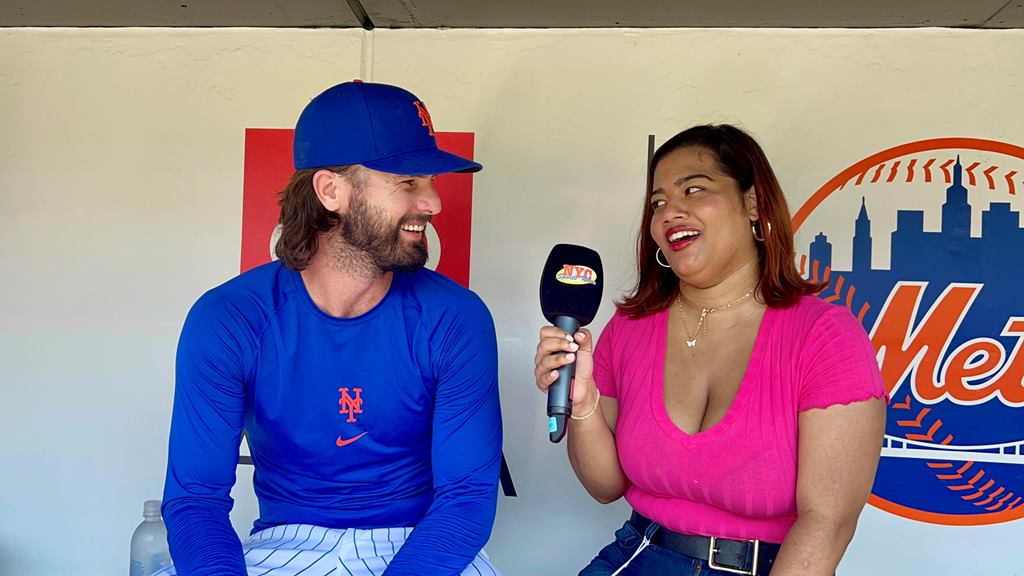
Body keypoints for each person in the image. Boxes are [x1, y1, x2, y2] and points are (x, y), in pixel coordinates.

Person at [159, 80, 503, 576]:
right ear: (330, 191)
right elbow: (195, 499)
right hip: (283, 543)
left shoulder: (457, 317)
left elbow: (467, 498)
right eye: (408, 182)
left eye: (429, 182)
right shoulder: (229, 318)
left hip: (422, 546)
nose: (434, 204)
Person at [533, 124, 886, 575]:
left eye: (694, 190)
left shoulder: (825, 335)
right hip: (636, 556)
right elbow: (604, 485)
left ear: (753, 203)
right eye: (658, 202)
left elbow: (828, 523)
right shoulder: (630, 325)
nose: (668, 213)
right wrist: (582, 406)